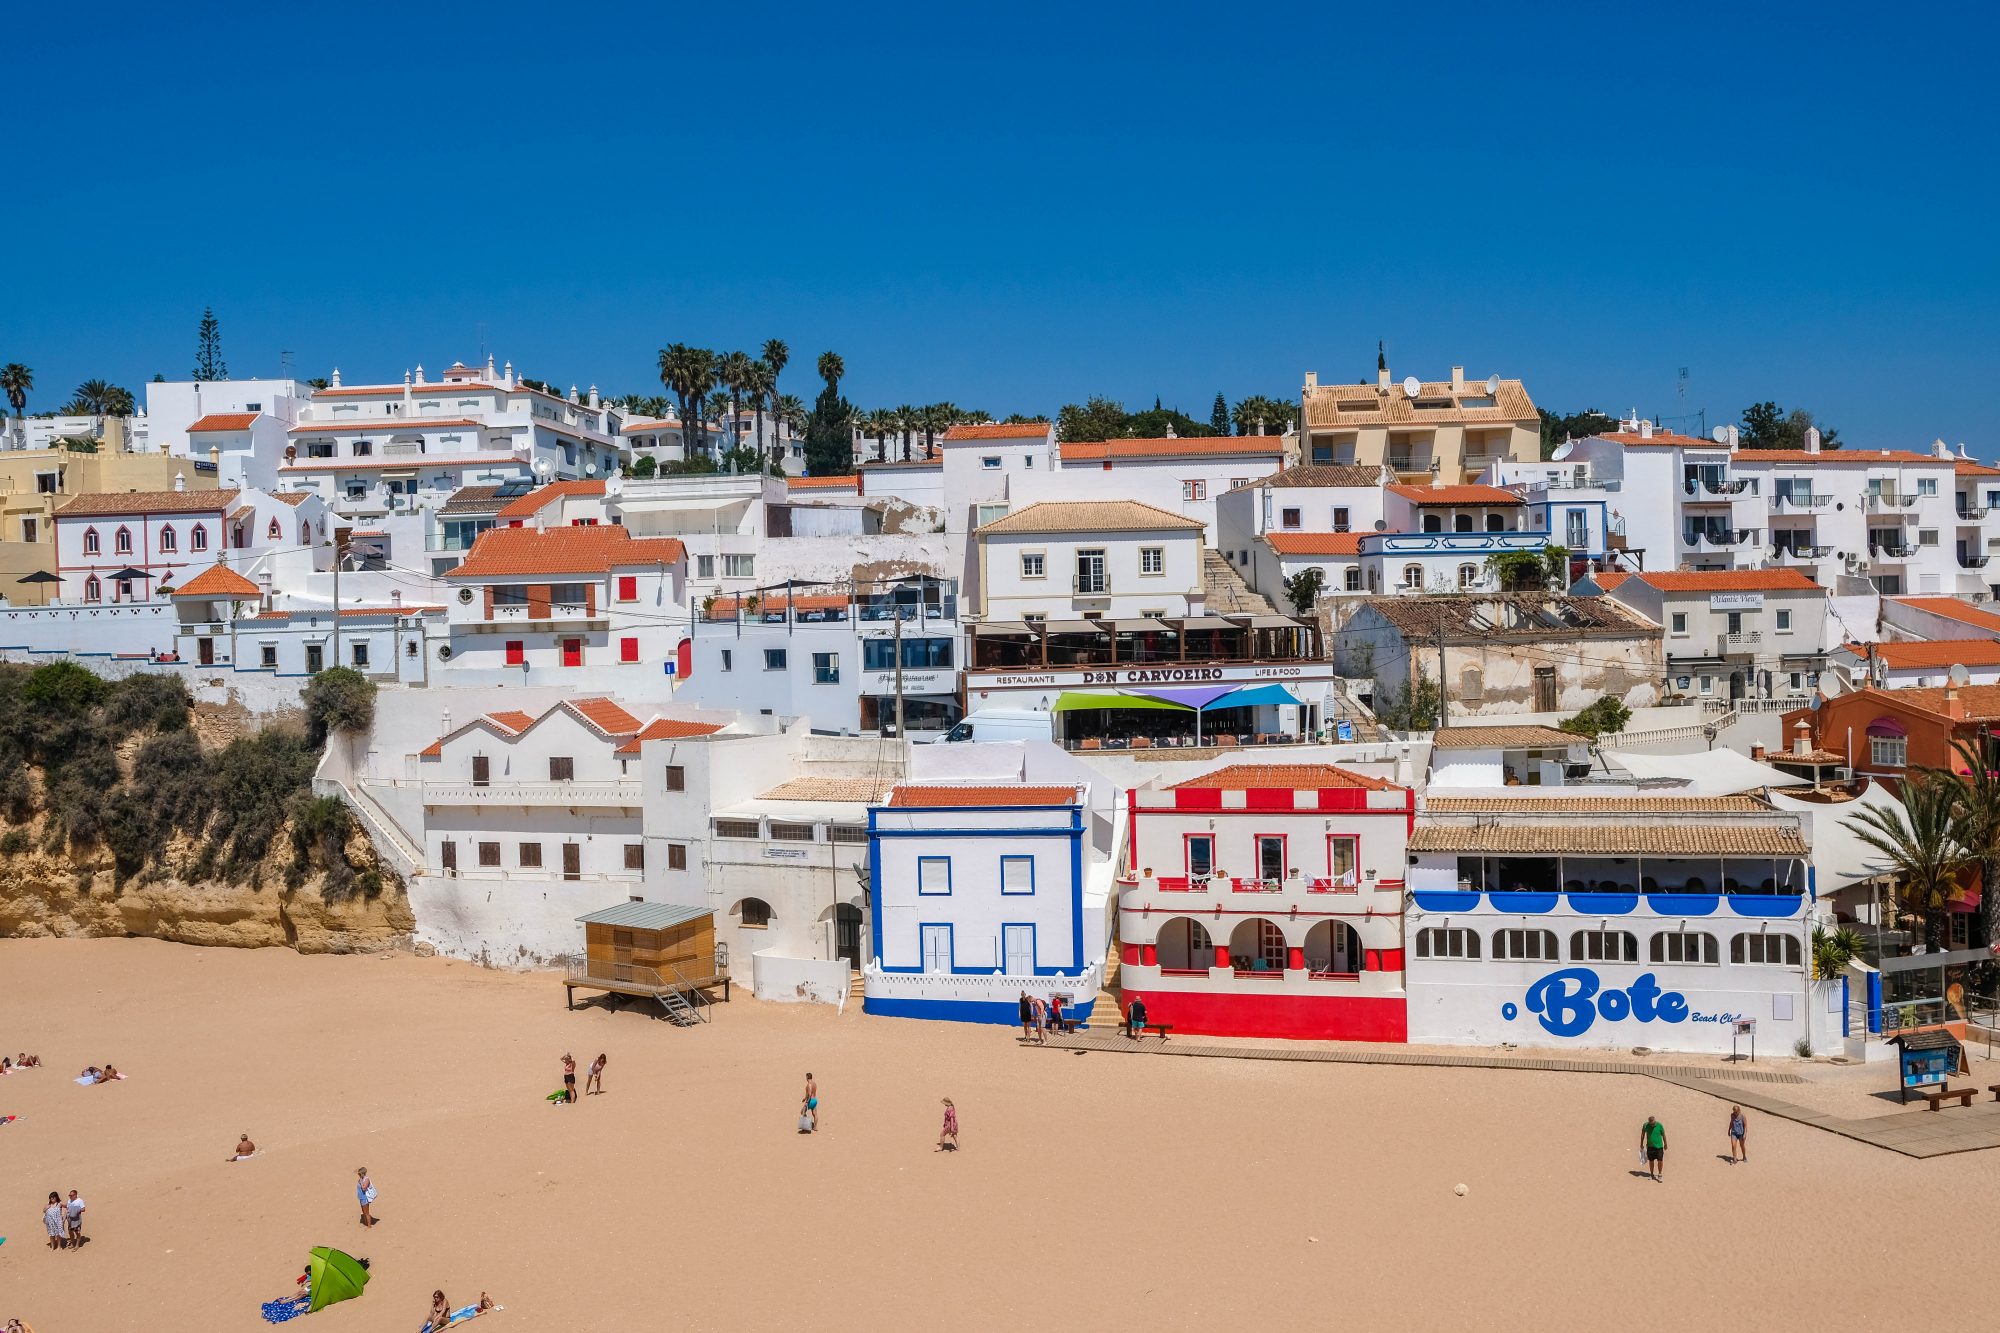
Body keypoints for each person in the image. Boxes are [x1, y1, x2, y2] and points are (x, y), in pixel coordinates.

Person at [1640, 1116, 1667, 1182]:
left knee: (1660, 1161)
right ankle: (1651, 1174)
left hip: (1659, 1147)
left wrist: (1665, 1144)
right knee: (1651, 1161)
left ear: (1655, 1121)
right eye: (1651, 1124)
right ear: (1649, 1122)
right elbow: (1642, 1134)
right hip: (1650, 1147)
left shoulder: (1659, 1125)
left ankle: (1660, 1174)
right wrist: (1641, 1144)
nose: (1652, 1125)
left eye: (1653, 1124)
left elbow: (1663, 1134)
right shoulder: (1645, 1125)